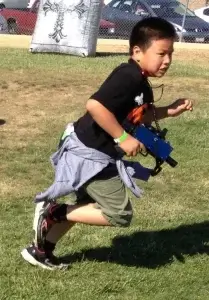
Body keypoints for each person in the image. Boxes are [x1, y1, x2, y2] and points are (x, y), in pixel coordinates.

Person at [21, 17, 193, 270]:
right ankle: (54, 212)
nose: (167, 60)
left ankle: (41, 251)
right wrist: (122, 138)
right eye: (162, 53)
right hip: (90, 155)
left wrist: (169, 110)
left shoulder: (141, 82)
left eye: (171, 54)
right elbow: (95, 105)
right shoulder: (128, 76)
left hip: (95, 152)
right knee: (119, 214)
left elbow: (136, 115)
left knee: (82, 205)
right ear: (137, 51)